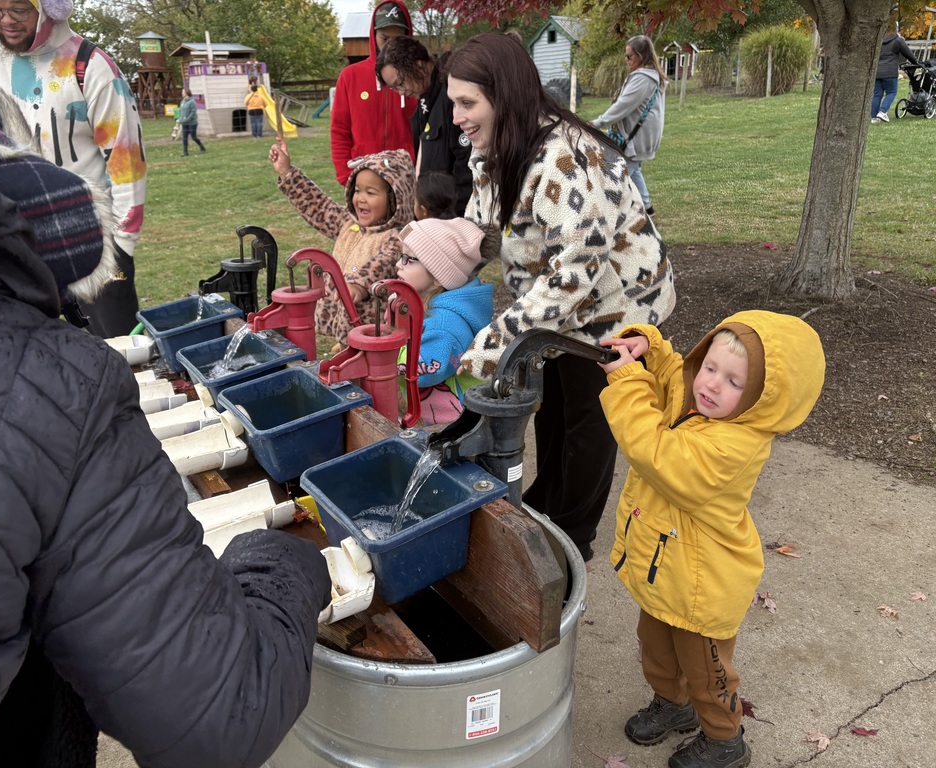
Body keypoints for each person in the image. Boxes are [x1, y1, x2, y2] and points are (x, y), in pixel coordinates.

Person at [0, 31, 330, 768]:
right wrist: (284, 563)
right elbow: (214, 710)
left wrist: (123, 239)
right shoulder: (40, 385)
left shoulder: (89, 71)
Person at [445, 32, 676, 562]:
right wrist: (427, 268)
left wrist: (491, 346)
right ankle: (542, 509)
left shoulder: (566, 159)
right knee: (551, 406)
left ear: (503, 95)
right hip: (563, 308)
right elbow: (480, 229)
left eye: (467, 102)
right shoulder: (498, 147)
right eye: (454, 102)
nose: (457, 115)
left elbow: (574, 273)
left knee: (590, 419)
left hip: (618, 309)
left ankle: (573, 539)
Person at [596, 311, 825, 768]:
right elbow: (675, 377)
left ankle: (724, 739)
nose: (712, 385)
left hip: (704, 585)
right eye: (711, 367)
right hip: (666, 568)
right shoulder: (700, 403)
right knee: (657, 648)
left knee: (707, 674)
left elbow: (658, 456)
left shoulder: (735, 445)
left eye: (735, 382)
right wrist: (650, 347)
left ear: (764, 401)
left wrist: (627, 385)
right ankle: (672, 703)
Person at [0, 0, 146, 339]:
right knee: (25, 359)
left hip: (92, 246)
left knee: (116, 356)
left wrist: (122, 247)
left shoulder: (90, 65)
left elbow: (127, 162)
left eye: (19, 9)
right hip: (7, 249)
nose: (6, 20)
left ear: (48, 8)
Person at [269, 139, 415, 348]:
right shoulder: (348, 223)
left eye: (371, 192)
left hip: (373, 333)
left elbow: (383, 264)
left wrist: (359, 284)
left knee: (367, 370)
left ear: (394, 199)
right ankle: (344, 344)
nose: (361, 198)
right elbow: (318, 206)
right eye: (357, 190)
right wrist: (287, 173)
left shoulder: (397, 237)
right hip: (345, 321)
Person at [395, 218, 494, 425]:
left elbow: (427, 371)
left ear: (438, 277)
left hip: (448, 428)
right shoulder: (434, 305)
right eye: (400, 256)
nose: (398, 264)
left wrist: (388, 357)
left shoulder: (444, 325)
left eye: (408, 259)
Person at [376, 35, 473, 216]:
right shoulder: (424, 103)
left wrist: (457, 218)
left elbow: (467, 166)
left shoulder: (451, 97)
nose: (401, 92)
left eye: (401, 83)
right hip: (433, 217)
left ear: (418, 65)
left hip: (453, 218)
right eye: (395, 88)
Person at [330, 0, 417, 186]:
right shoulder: (350, 76)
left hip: (406, 180)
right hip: (363, 178)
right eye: (384, 39)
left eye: (398, 40)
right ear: (373, 35)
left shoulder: (418, 79)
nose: (390, 47)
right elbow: (339, 130)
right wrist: (346, 176)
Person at [591, 35, 667, 216]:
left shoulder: (643, 78)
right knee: (634, 169)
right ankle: (647, 207)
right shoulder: (651, 75)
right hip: (642, 135)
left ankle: (608, 214)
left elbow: (623, 106)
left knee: (616, 175)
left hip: (636, 136)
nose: (626, 60)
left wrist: (596, 123)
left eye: (629, 56)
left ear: (641, 56)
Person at [871, 23, 919, 123]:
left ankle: (873, 117)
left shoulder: (877, 39)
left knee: (877, 94)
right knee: (891, 92)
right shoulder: (898, 40)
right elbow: (908, 54)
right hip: (890, 71)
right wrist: (916, 63)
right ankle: (883, 111)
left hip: (877, 71)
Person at [177, 87, 207, 156]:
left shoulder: (192, 102)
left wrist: (187, 118)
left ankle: (202, 147)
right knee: (184, 137)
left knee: (193, 137)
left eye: (183, 92)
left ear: (187, 93)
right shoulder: (183, 101)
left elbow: (193, 112)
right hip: (184, 123)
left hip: (192, 123)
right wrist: (180, 118)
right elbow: (181, 111)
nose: (181, 93)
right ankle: (185, 151)